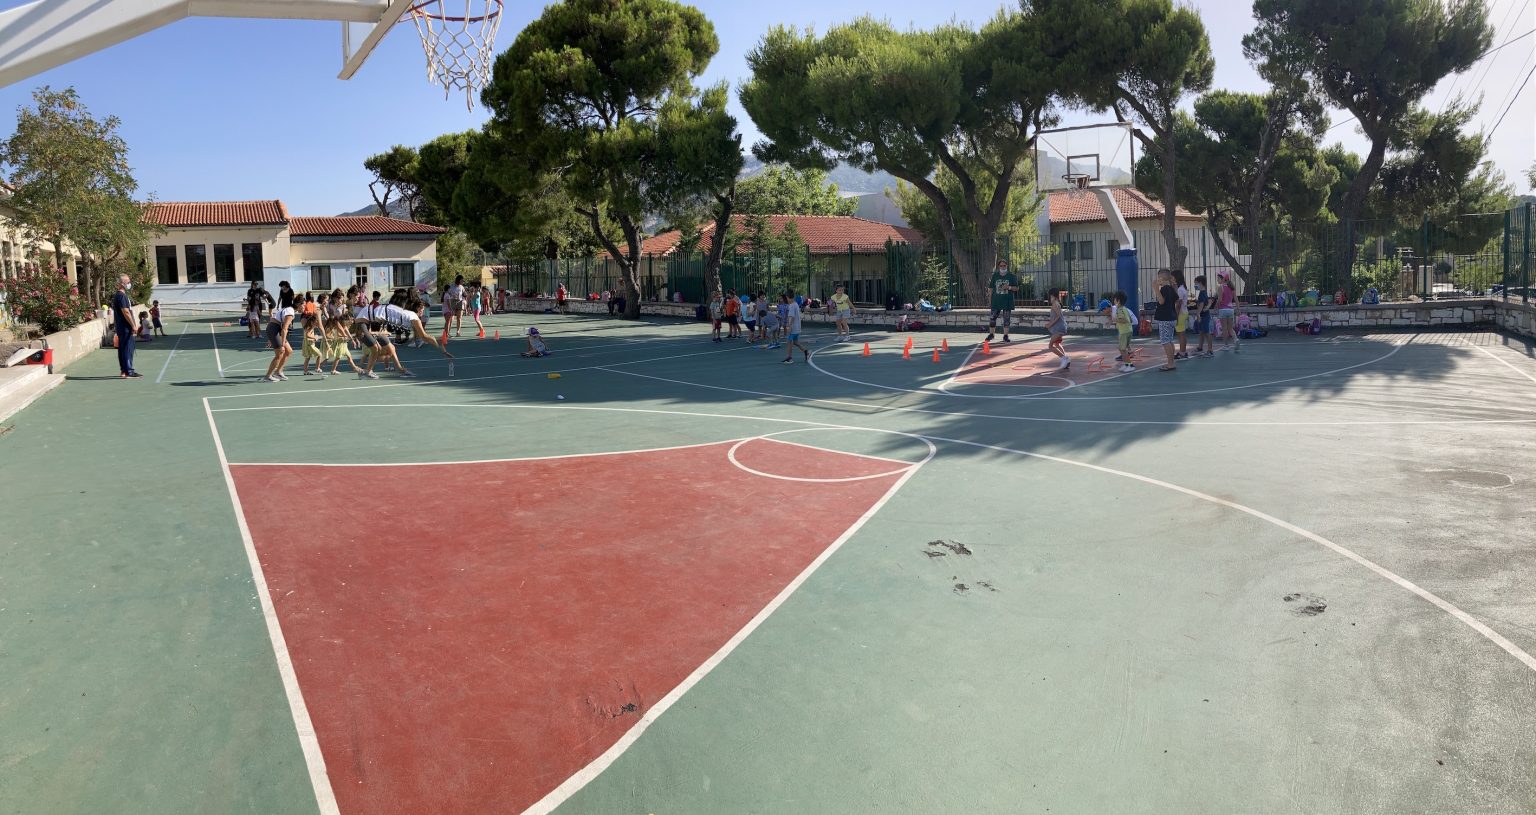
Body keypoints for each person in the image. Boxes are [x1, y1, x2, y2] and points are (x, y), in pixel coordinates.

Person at [263, 287, 297, 382]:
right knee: (280, 353)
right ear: (299, 304)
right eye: (303, 305)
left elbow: (279, 324)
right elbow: (284, 329)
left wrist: (272, 339)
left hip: (275, 329)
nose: (304, 307)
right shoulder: (290, 313)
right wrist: (282, 345)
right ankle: (268, 376)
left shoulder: (289, 309)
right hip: (274, 329)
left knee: (288, 351)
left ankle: (278, 372)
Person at [111, 274, 141, 378]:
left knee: (123, 348)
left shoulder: (119, 295)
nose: (129, 283)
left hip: (122, 327)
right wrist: (133, 325)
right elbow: (126, 312)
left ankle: (124, 371)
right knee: (127, 349)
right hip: (125, 327)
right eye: (128, 282)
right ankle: (129, 371)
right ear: (122, 283)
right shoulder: (121, 296)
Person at [985, 260, 1018, 343]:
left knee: (1006, 319)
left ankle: (1005, 336)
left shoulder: (1011, 276)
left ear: (1007, 266)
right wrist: (989, 300)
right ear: (998, 266)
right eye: (1001, 266)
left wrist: (1009, 287)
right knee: (992, 318)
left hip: (1007, 301)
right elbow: (991, 288)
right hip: (996, 301)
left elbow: (1016, 288)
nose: (1003, 267)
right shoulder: (995, 275)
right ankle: (991, 334)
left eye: (1004, 265)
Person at [1153, 270, 1178, 371]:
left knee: (1165, 341)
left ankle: (1170, 364)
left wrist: (1156, 289)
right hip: (1171, 317)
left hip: (1165, 319)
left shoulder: (1164, 289)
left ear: (1161, 279)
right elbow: (1176, 299)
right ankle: (1171, 362)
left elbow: (1161, 301)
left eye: (1158, 278)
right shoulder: (1171, 289)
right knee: (1170, 341)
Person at [1110, 291, 1136, 372]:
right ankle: (1126, 364)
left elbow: (1125, 320)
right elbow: (1130, 319)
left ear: (1118, 301)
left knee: (1122, 349)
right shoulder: (1125, 309)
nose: (1113, 301)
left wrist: (1115, 320)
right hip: (1128, 330)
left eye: (1114, 299)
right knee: (1122, 349)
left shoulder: (1119, 310)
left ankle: (1130, 365)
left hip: (1124, 332)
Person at [781, 292, 808, 364]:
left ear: (788, 297)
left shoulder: (792, 306)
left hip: (793, 327)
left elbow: (791, 317)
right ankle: (806, 352)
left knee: (789, 342)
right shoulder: (795, 304)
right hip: (797, 327)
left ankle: (789, 358)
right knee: (795, 342)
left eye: (786, 298)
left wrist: (789, 326)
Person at [1192, 275, 1214, 357]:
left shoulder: (1202, 293)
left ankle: (1210, 350)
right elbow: (1206, 303)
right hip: (1204, 315)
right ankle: (1200, 348)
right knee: (1201, 332)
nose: (1195, 285)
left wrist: (1198, 314)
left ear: (1200, 283)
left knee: (1206, 333)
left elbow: (1201, 305)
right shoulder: (1203, 292)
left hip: (1204, 316)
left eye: (1196, 283)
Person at [1045, 290, 1068, 369]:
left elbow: (1058, 316)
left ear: (1052, 296)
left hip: (1059, 328)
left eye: (1050, 296)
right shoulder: (1057, 303)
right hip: (1061, 327)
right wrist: (1050, 324)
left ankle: (1064, 358)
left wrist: (1050, 324)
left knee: (1050, 346)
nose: (1049, 297)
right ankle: (1066, 359)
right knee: (1057, 344)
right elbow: (1057, 316)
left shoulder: (1055, 304)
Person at [1216, 270, 1238, 351]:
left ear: (1223, 279)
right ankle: (1236, 339)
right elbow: (1236, 299)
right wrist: (1238, 308)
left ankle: (1226, 345)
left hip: (1223, 310)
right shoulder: (1231, 287)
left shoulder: (1220, 287)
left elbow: (1220, 299)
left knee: (1224, 328)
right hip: (1231, 310)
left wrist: (1216, 306)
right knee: (1230, 328)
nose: (1217, 280)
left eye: (1218, 278)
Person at [1172, 270, 1190, 360]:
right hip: (1184, 312)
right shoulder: (1182, 288)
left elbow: (1178, 305)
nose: (1172, 279)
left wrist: (1176, 316)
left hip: (1180, 314)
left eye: (1173, 277)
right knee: (1182, 333)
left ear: (1176, 278)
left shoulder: (1180, 290)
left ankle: (1182, 353)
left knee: (1181, 334)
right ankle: (1183, 351)